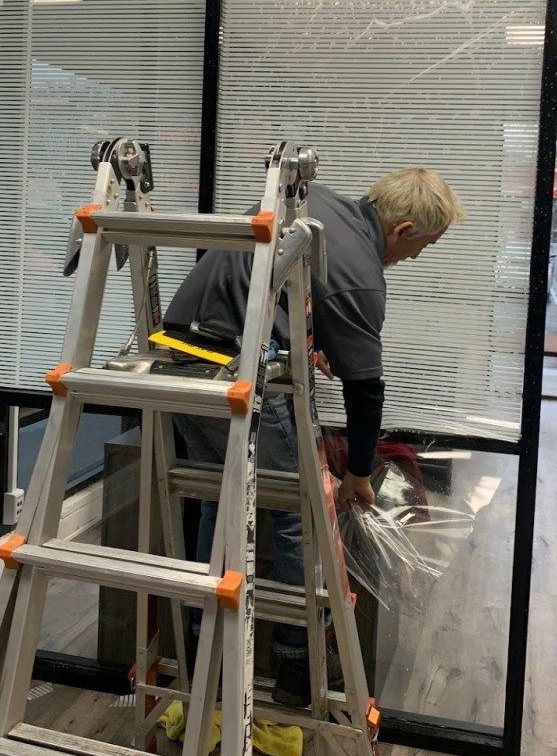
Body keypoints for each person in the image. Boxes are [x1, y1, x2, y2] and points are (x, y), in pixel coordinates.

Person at [164, 167, 465, 706]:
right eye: (423, 246)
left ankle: (202, 641)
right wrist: (356, 476)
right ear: (401, 230)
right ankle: (297, 666)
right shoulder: (363, 275)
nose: (416, 257)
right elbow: (365, 390)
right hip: (237, 368)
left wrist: (301, 337)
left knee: (219, 499)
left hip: (181, 353)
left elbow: (268, 280)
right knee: (295, 511)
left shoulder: (313, 199)